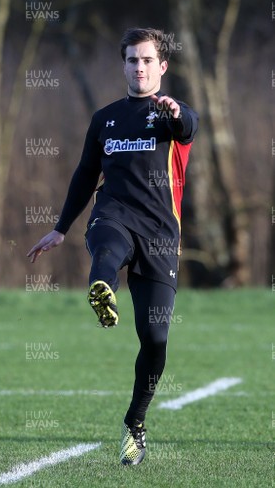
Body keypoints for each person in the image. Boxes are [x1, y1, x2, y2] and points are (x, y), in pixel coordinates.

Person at [27, 27, 198, 465]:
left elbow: (188, 125)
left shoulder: (170, 115)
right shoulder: (105, 119)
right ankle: (104, 291)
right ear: (122, 65)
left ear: (162, 66)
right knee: (105, 247)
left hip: (160, 234)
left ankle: (135, 425)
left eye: (146, 60)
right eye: (131, 60)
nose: (138, 67)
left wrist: (175, 111)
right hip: (113, 215)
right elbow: (85, 174)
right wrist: (61, 227)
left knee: (155, 338)